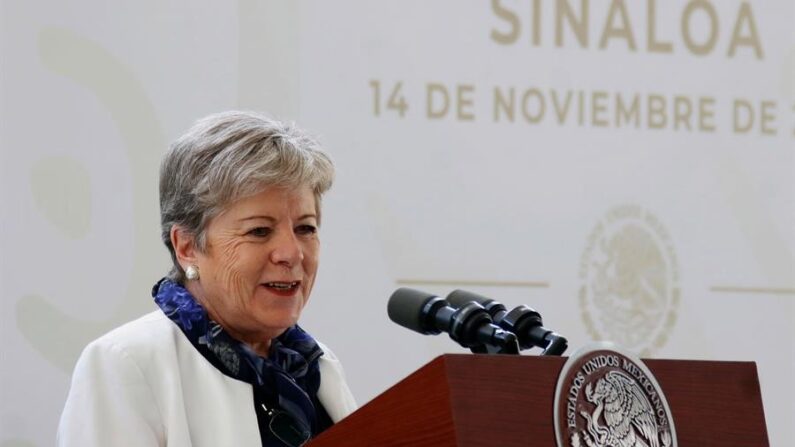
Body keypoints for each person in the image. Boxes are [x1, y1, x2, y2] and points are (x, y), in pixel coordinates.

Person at [57, 111, 357, 446]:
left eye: (306, 228)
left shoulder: (316, 366)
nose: (292, 253)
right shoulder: (126, 365)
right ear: (186, 247)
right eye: (259, 231)